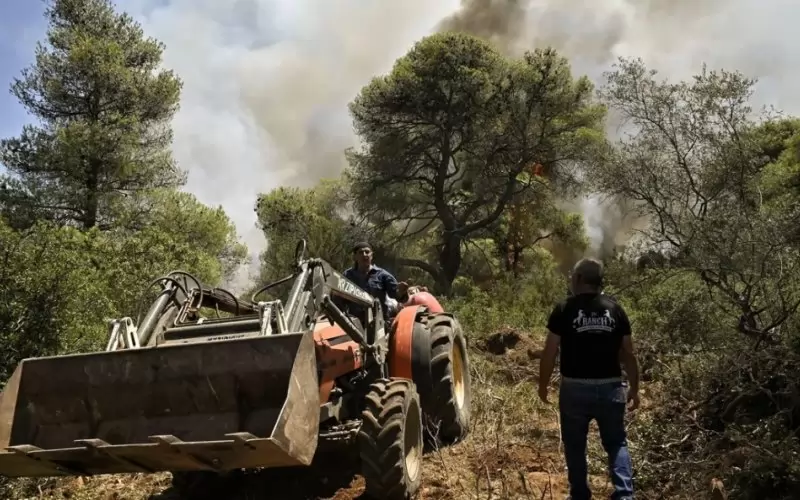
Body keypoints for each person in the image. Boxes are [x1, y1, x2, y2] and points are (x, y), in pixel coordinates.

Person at [538, 258, 640, 500]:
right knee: (616, 443)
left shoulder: (564, 309)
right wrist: (635, 389)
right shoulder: (615, 310)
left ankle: (580, 495)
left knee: (575, 445)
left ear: (579, 279)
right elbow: (629, 353)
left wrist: (543, 385)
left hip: (574, 390)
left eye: (572, 276)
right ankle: (625, 495)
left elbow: (550, 352)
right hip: (611, 388)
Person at [342, 241, 400, 321]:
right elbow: (338, 300)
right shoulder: (347, 275)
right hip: (354, 324)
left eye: (367, 252)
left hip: (380, 323)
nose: (364, 254)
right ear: (355, 257)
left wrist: (401, 292)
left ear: (371, 255)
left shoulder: (382, 275)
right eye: (361, 252)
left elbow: (397, 295)